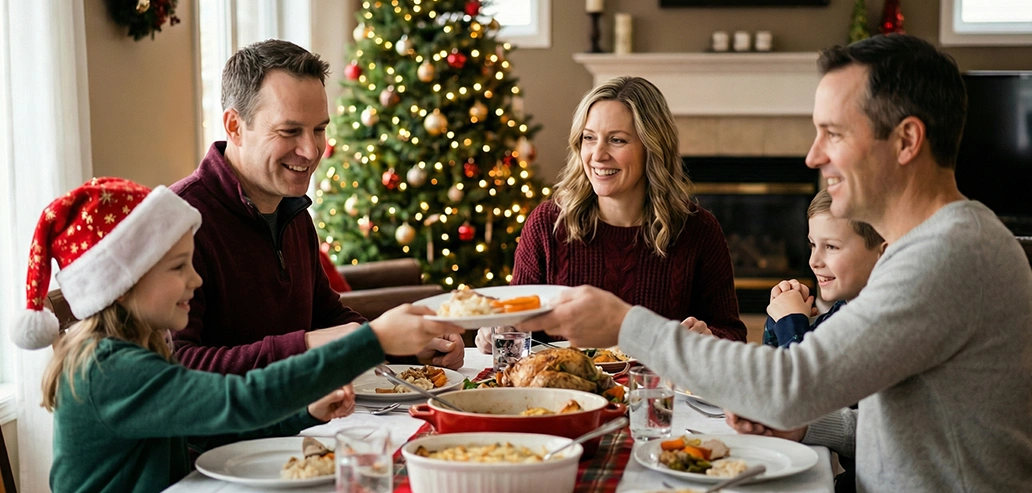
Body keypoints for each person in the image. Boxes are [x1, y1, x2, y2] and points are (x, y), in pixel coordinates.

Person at [517, 35, 1032, 492]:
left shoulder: (947, 257)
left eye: (834, 133)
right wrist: (804, 428)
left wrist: (626, 324)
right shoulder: (918, 250)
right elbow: (865, 415)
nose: (812, 156)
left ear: (906, 141)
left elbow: (790, 384)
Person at [8, 178, 463, 493]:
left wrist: (301, 412)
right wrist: (372, 341)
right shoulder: (108, 369)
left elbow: (211, 425)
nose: (195, 280)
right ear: (123, 285)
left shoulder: (132, 349)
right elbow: (240, 398)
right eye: (177, 267)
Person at [169, 39, 463, 374]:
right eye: (290, 131)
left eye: (319, 129)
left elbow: (327, 316)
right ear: (235, 126)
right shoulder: (180, 223)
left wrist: (408, 349)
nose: (311, 151)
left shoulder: (291, 210)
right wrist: (310, 344)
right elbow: (178, 367)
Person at [475, 76, 746, 353]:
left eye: (617, 140)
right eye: (589, 138)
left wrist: (707, 336)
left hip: (652, 393)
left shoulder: (699, 229)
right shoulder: (547, 224)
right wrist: (497, 330)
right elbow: (514, 325)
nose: (598, 155)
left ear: (652, 148)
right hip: (564, 391)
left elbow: (733, 336)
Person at [762, 189, 884, 348]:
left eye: (831, 247)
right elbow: (776, 367)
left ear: (882, 253)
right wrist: (779, 315)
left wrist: (790, 321)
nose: (813, 261)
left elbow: (802, 370)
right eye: (812, 244)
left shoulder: (874, 325)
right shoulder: (841, 310)